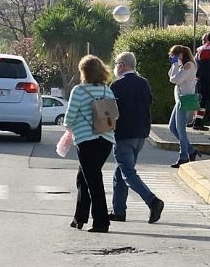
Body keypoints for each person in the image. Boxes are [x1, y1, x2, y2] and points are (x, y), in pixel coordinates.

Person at [110, 52, 164, 224]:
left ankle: (152, 201)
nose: (116, 67)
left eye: (117, 63)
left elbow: (111, 110)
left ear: (123, 65)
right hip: (140, 134)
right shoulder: (144, 83)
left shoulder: (116, 85)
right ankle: (119, 211)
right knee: (121, 172)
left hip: (123, 134)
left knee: (127, 173)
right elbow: (149, 102)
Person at [68, 55, 117, 233]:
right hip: (105, 140)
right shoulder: (107, 91)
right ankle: (79, 218)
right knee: (83, 178)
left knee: (93, 181)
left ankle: (101, 222)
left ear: (84, 72)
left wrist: (69, 127)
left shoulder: (79, 91)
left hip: (86, 141)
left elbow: (69, 117)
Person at [166, 43, 198, 168]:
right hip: (179, 100)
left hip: (185, 100)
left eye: (174, 55)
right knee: (172, 127)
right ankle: (191, 150)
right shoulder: (182, 66)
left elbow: (175, 80)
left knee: (181, 130)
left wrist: (175, 64)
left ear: (180, 54)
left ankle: (183, 156)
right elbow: (171, 75)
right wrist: (174, 65)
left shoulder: (189, 66)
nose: (172, 57)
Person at [192, 33, 210, 130]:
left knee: (201, 101)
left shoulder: (199, 50)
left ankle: (197, 122)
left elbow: (195, 64)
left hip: (201, 79)